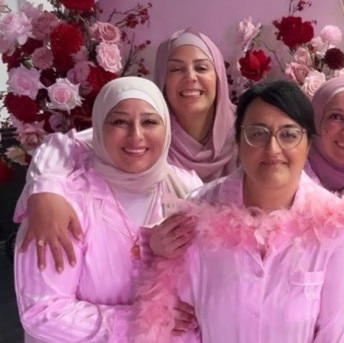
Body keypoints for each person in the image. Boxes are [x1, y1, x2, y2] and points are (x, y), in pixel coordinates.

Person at [134, 80, 344, 343]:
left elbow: (334, 334)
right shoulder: (200, 211)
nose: (273, 149)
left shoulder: (335, 224)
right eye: (257, 133)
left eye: (289, 134)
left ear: (308, 144)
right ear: (239, 143)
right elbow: (182, 324)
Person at [17, 27, 237, 272]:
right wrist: (45, 191)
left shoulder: (247, 130)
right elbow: (63, 145)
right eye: (175, 69)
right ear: (162, 79)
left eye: (202, 67)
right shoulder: (146, 129)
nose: (190, 77)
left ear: (218, 74)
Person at [13, 77, 203, 342]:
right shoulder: (62, 204)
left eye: (149, 121)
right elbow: (43, 313)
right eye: (119, 121)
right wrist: (147, 319)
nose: (136, 135)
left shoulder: (189, 190)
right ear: (99, 129)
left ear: (167, 128)